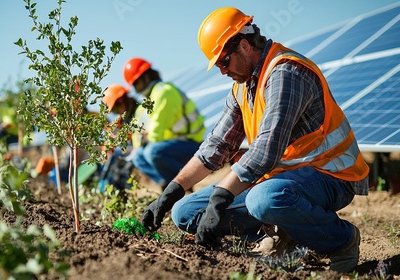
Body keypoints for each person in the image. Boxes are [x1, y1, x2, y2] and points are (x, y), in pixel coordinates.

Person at [141, 7, 369, 273]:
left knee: (264, 199)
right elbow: (217, 145)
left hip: (331, 174)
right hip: (285, 180)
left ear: (245, 45)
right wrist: (172, 192)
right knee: (185, 213)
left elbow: (265, 152)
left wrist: (220, 199)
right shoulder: (243, 85)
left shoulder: (286, 73)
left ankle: (341, 240)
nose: (222, 71)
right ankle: (283, 237)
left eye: (223, 62)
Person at [123, 58, 206, 189]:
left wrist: (145, 138)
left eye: (136, 83)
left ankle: (183, 184)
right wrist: (140, 142)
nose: (136, 89)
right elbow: (140, 133)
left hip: (192, 143)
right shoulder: (148, 100)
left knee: (152, 151)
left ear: (145, 77)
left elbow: (157, 134)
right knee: (138, 156)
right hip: (172, 145)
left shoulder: (164, 92)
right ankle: (167, 186)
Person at [98, 84, 140, 191]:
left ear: (122, 100)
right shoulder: (122, 121)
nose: (116, 113)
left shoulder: (141, 111)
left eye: (116, 108)